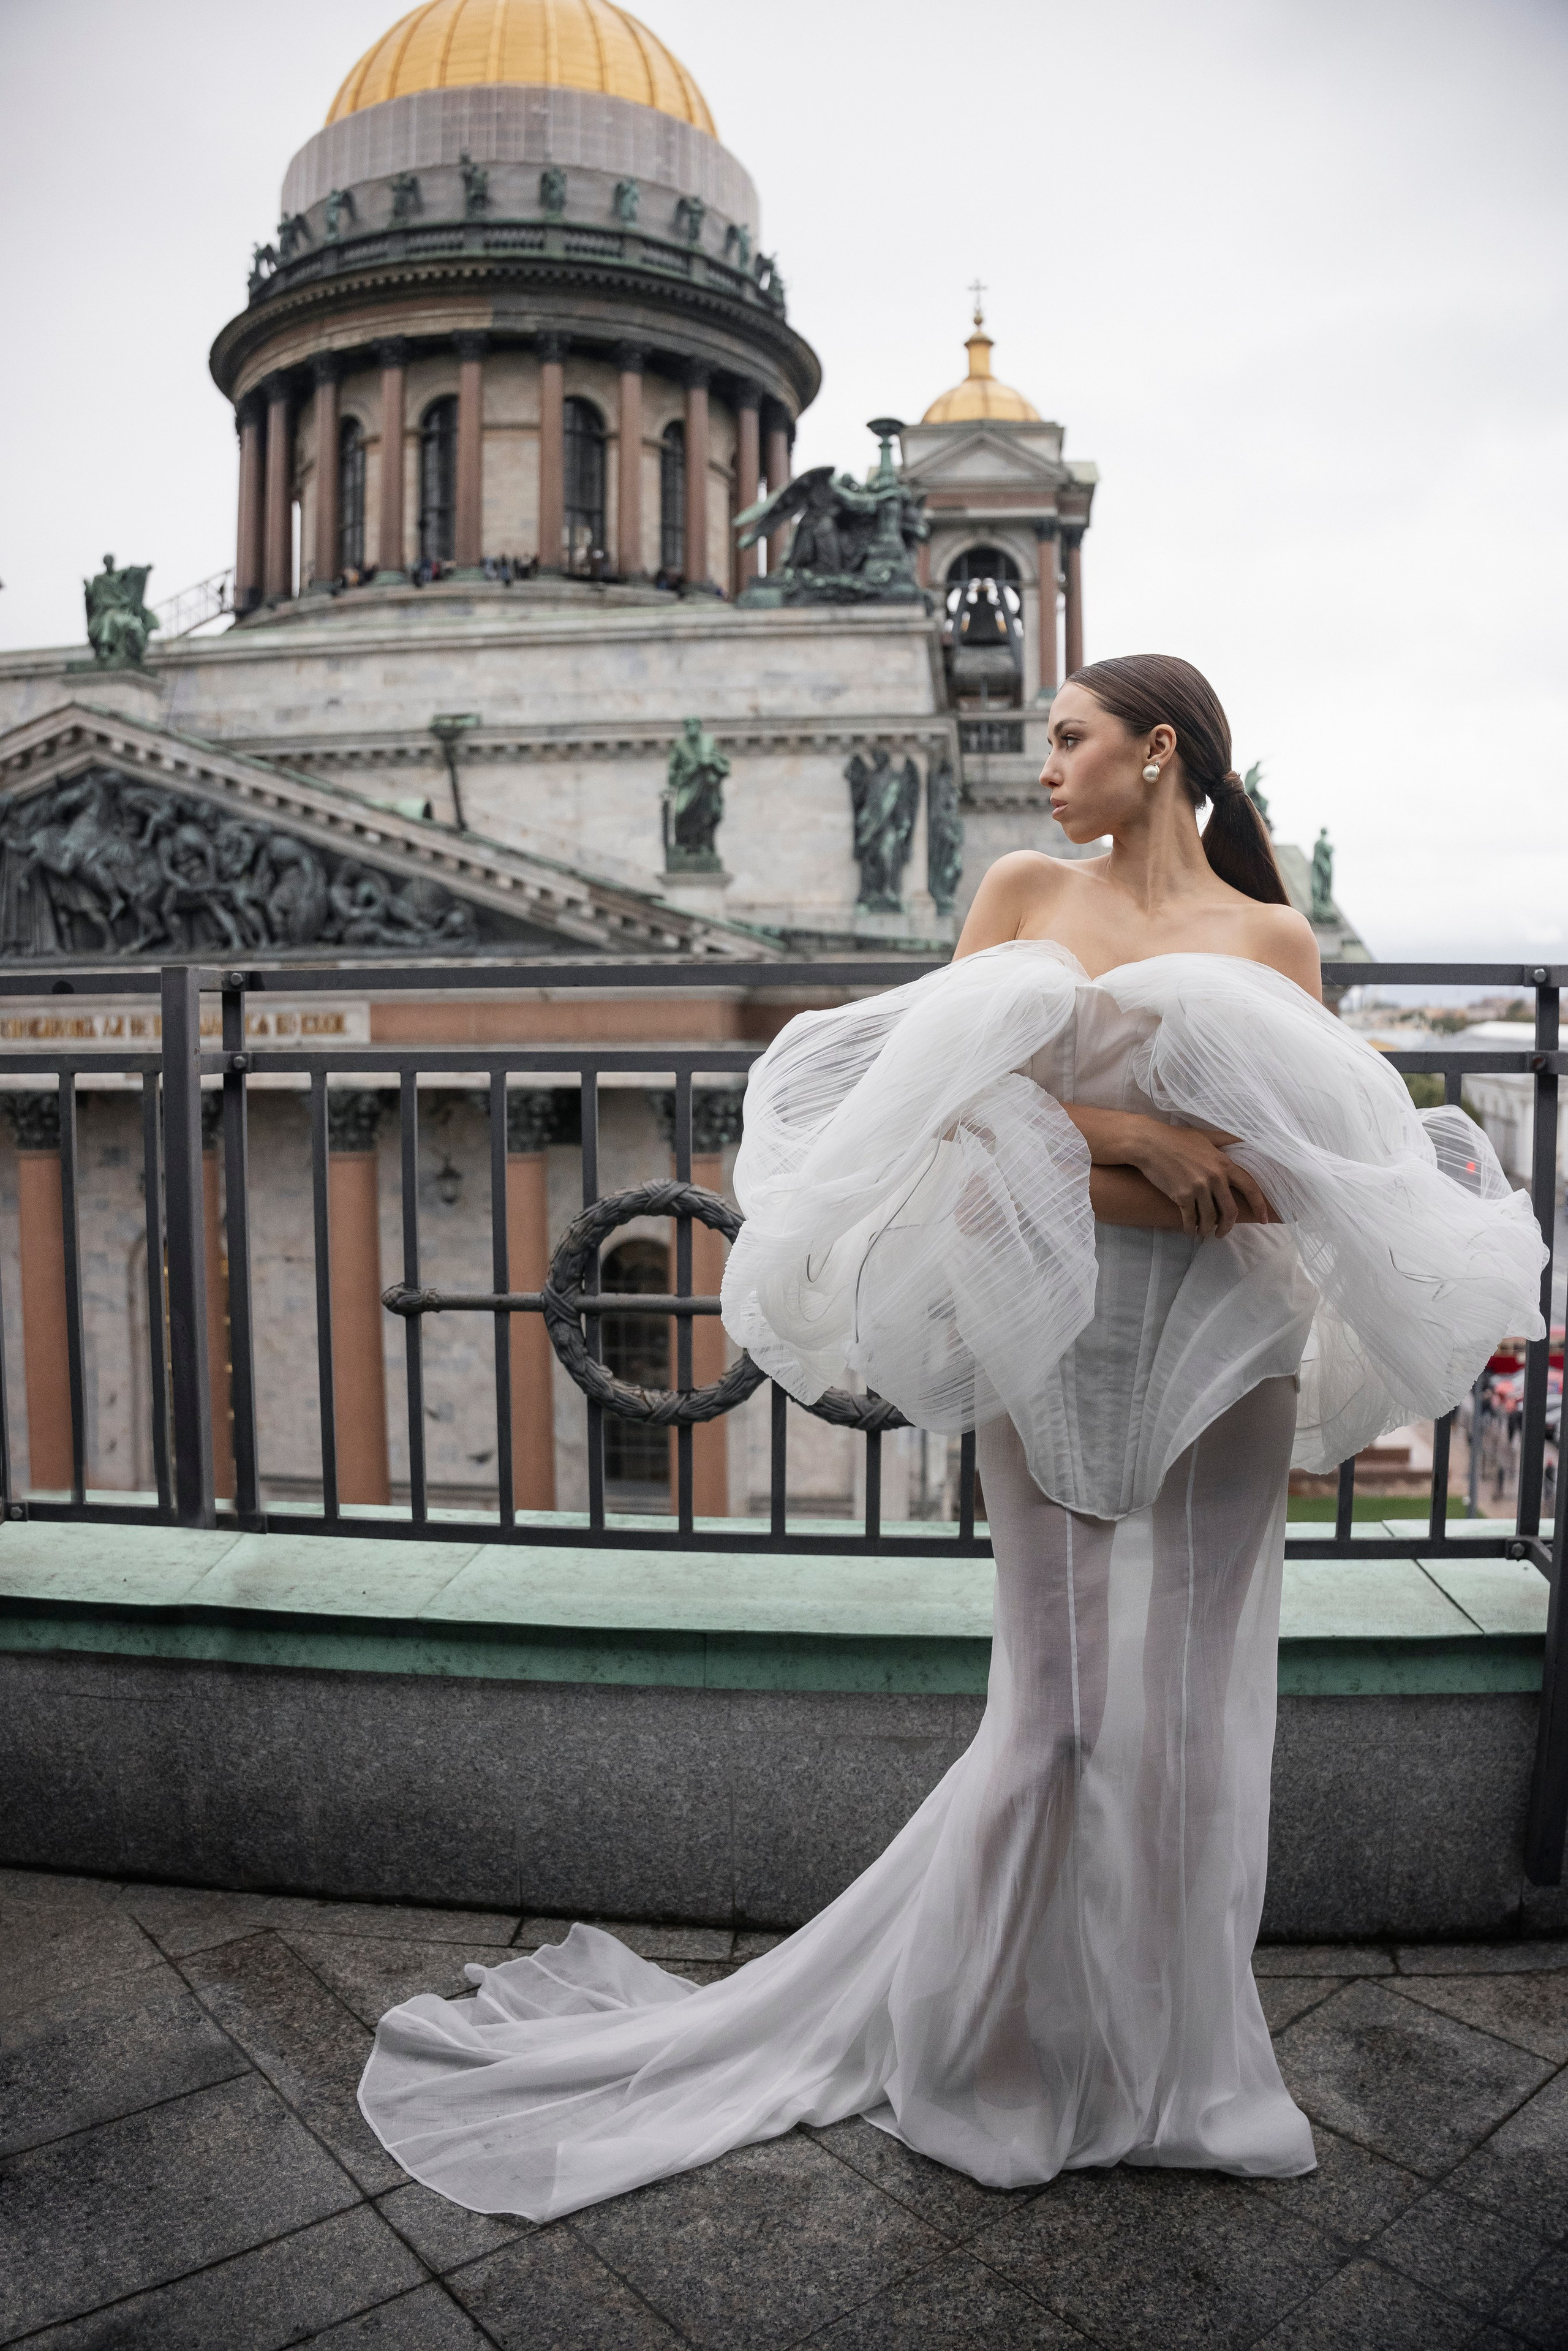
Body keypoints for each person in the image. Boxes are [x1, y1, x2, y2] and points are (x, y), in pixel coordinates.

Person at [358, 654, 1545, 2221]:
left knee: (1197, 1729)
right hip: (1038, 1333)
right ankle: (997, 2061)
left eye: (1070, 737)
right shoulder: (1019, 890)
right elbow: (926, 1112)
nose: (1045, 764)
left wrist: (1070, 1147)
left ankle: (1183, 2077)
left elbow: (1281, 1182)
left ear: (1156, 751)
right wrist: (1129, 1138)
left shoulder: (1271, 940)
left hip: (1225, 1346)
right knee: (1052, 1722)